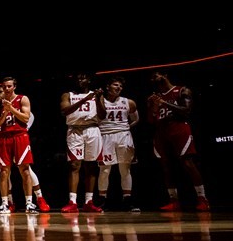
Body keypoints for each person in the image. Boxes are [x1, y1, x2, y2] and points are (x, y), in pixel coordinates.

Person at [147, 70, 210, 211]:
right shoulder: (153, 98)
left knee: (188, 163)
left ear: (165, 75)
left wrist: (164, 103)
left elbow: (186, 110)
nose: (155, 78)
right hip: (161, 131)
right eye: (152, 77)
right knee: (167, 166)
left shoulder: (182, 90)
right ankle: (174, 200)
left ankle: (202, 199)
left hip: (179, 128)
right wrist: (154, 107)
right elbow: (151, 120)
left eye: (157, 75)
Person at [0, 86, 50, 212]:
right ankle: (9, 202)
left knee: (26, 169)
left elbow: (27, 120)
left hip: (18, 138)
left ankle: (39, 197)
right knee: (5, 172)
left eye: (1, 91)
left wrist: (10, 110)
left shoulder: (21, 101)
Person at [59, 73, 105, 213]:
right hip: (75, 130)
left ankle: (88, 201)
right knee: (74, 165)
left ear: (89, 80)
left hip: (92, 129)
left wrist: (96, 100)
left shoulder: (96, 95)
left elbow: (103, 115)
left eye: (83, 78)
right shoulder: (67, 95)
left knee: (91, 166)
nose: (80, 80)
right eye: (77, 78)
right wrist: (86, 99)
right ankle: (72, 201)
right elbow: (65, 111)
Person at [97, 76, 140, 212]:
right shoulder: (99, 100)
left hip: (123, 136)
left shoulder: (129, 102)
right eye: (116, 85)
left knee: (125, 169)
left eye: (120, 86)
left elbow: (136, 119)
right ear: (107, 87)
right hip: (105, 136)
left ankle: (127, 200)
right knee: (104, 170)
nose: (119, 88)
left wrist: (124, 129)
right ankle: (102, 201)